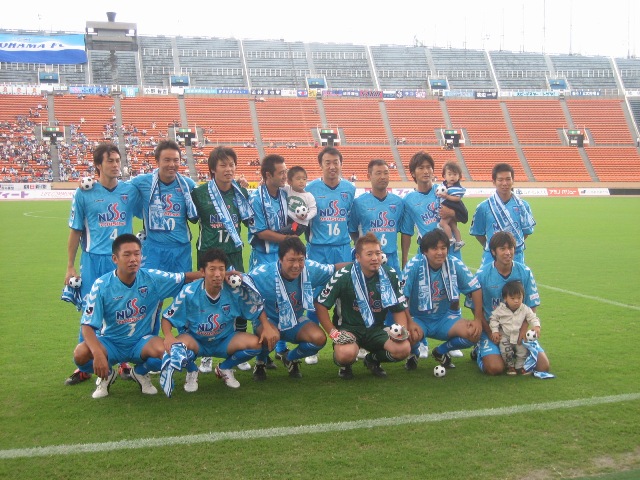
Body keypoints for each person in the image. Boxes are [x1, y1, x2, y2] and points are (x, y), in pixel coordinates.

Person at [71, 234, 200, 399]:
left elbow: (184, 278)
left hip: (142, 341)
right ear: (115, 259)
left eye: (137, 254)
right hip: (111, 342)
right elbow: (87, 326)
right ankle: (107, 374)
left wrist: (216, 274)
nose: (133, 259)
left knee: (170, 355)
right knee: (80, 353)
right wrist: (97, 354)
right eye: (127, 254)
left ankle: (139, 373)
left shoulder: (152, 277)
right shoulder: (102, 285)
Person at [64, 143, 141, 386]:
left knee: (124, 308)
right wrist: (70, 266)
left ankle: (124, 361)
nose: (116, 165)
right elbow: (76, 231)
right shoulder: (84, 192)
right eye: (110, 161)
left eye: (118, 160)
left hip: (122, 261)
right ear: (98, 165)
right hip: (94, 260)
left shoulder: (129, 191)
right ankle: (84, 365)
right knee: (90, 311)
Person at [161, 248, 278, 392]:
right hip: (196, 341)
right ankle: (192, 370)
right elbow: (167, 317)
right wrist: (168, 336)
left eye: (221, 269)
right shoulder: (189, 292)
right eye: (212, 269)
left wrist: (266, 326)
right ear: (202, 272)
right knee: (176, 348)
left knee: (255, 345)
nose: (217, 274)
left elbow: (256, 308)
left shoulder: (234, 290)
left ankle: (225, 368)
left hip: (224, 341)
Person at [190, 146, 255, 373]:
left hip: (233, 254)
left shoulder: (241, 193)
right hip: (208, 255)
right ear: (212, 169)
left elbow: (250, 223)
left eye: (231, 164)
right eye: (223, 165)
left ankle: (238, 349)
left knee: (239, 300)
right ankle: (206, 354)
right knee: (206, 303)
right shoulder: (198, 193)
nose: (229, 169)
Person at [128, 140, 198, 347]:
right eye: (166, 160)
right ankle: (150, 346)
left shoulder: (188, 185)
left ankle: (186, 346)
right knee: (150, 299)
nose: (172, 164)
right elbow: (117, 191)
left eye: (176, 160)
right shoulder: (142, 182)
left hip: (181, 251)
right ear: (157, 161)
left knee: (184, 300)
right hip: (154, 250)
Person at [315, 233, 410, 380]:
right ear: (358, 257)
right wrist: (334, 333)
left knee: (403, 349)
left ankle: (373, 360)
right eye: (369, 254)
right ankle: (345, 365)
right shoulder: (343, 275)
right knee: (345, 354)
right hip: (349, 329)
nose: (375, 258)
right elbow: (320, 304)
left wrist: (401, 331)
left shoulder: (389, 274)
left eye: (378, 253)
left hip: (376, 329)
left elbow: (398, 308)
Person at [398, 151, 460, 359]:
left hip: (448, 250)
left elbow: (462, 214)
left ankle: (453, 339)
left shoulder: (443, 190)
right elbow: (407, 231)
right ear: (413, 173)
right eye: (421, 168)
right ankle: (421, 340)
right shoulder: (409, 200)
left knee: (453, 291)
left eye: (429, 167)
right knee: (420, 295)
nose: (426, 171)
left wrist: (452, 213)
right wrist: (405, 258)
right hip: (425, 253)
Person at [249, 237, 338, 380]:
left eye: (300, 260)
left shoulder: (310, 269)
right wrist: (264, 324)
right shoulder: (262, 275)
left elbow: (335, 269)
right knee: (271, 335)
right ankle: (260, 361)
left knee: (319, 339)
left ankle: (290, 358)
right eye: (291, 260)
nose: (296, 265)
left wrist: (361, 264)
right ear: (280, 259)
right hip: (269, 320)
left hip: (295, 320)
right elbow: (242, 286)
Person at [465, 231, 549, 375]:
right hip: (493, 330)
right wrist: (491, 332)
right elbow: (476, 309)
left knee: (543, 366)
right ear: (493, 251)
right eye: (502, 249)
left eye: (510, 248)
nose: (508, 252)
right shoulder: (482, 275)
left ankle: (514, 352)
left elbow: (532, 305)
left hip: (517, 329)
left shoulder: (525, 272)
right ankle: (480, 350)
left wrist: (524, 330)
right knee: (495, 368)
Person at [401, 229, 483, 371]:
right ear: (425, 251)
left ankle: (441, 351)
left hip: (445, 318)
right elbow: (402, 297)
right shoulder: (413, 265)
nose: (440, 252)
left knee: (474, 334)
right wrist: (409, 321)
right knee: (408, 334)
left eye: (443, 248)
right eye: (434, 248)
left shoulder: (454, 263)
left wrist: (477, 319)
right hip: (419, 319)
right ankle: (414, 353)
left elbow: (475, 288)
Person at [470, 163, 536, 266]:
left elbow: (526, 232)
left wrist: (512, 246)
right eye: (500, 180)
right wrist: (494, 247)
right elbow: (479, 233)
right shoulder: (483, 207)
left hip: (516, 257)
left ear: (513, 180)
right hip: (491, 258)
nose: (504, 183)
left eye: (508, 179)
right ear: (494, 182)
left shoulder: (523, 206)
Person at [348, 159, 404, 274]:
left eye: (386, 173)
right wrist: (363, 248)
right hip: (368, 260)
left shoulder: (398, 202)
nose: (383, 177)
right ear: (369, 176)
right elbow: (353, 230)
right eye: (378, 173)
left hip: (392, 259)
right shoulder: (359, 203)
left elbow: (400, 229)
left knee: (395, 291)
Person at [306, 146, 356, 265]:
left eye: (336, 162)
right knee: (318, 283)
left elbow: (351, 219)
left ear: (341, 164)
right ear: (321, 165)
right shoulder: (310, 189)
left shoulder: (350, 189)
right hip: (318, 249)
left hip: (343, 248)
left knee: (343, 283)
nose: (332, 167)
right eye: (327, 163)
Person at [248, 154, 292, 269]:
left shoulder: (285, 194)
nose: (285, 176)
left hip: (283, 255)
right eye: (281, 173)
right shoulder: (256, 199)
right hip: (263, 257)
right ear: (268, 175)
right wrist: (289, 239)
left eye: (285, 172)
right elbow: (261, 233)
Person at [489, 280, 542, 375]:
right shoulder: (500, 309)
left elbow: (532, 317)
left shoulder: (525, 309)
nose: (516, 301)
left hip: (519, 335)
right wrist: (495, 331)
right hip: (505, 335)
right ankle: (510, 366)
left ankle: (520, 366)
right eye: (512, 298)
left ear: (523, 297)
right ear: (505, 298)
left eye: (519, 298)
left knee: (522, 351)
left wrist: (536, 326)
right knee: (505, 351)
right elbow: (493, 319)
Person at [436, 161, 468, 252]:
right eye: (449, 174)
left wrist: (446, 196)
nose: (452, 176)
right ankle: (459, 241)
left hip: (452, 208)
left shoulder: (457, 188)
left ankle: (450, 239)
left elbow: (457, 199)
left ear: (459, 176)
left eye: (455, 174)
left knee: (443, 223)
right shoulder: (444, 185)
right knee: (453, 225)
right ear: (444, 176)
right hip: (448, 208)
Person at [282, 165, 317, 236]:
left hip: (300, 223)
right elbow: (276, 185)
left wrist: (307, 216)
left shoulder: (308, 196)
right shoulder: (288, 189)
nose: (301, 181)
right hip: (289, 219)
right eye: (298, 179)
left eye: (304, 179)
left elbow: (314, 210)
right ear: (289, 182)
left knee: (282, 232)